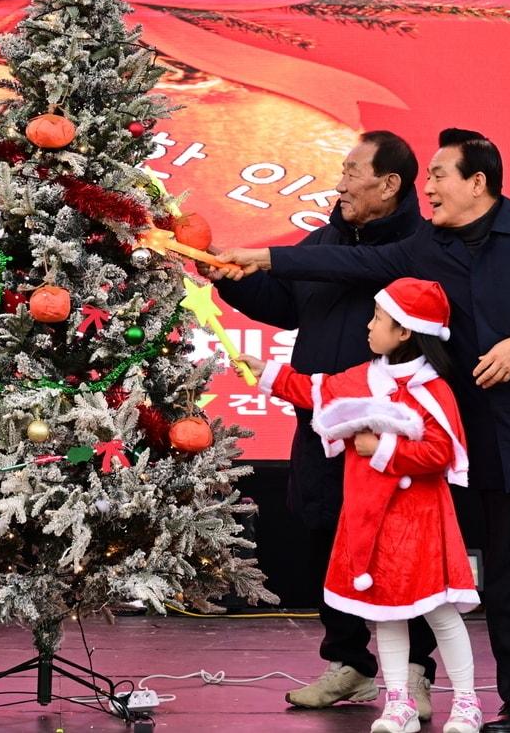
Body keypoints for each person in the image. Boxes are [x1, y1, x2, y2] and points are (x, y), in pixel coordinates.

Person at [220, 129, 510, 732]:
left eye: (438, 176)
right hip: (487, 440)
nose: (425, 188)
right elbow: (348, 261)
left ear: (476, 182)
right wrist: (263, 259)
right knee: (508, 581)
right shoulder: (425, 246)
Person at [210, 131, 441, 714]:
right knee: (326, 537)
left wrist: (267, 254)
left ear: (390, 184)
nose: (339, 183)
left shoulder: (419, 243)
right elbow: (287, 303)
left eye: (351, 171)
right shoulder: (327, 237)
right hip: (320, 422)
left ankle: (412, 671)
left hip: (388, 429)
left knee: (393, 550)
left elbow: (354, 267)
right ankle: (352, 664)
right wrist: (219, 273)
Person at [240, 277, 482, 733]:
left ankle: (467, 702)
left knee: (440, 613)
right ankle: (398, 704)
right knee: (384, 614)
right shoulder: (364, 377)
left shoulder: (435, 389)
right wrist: (265, 371)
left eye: (378, 318)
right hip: (373, 521)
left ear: (405, 331)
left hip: (420, 523)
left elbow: (442, 452)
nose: (368, 326)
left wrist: (383, 447)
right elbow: (317, 391)